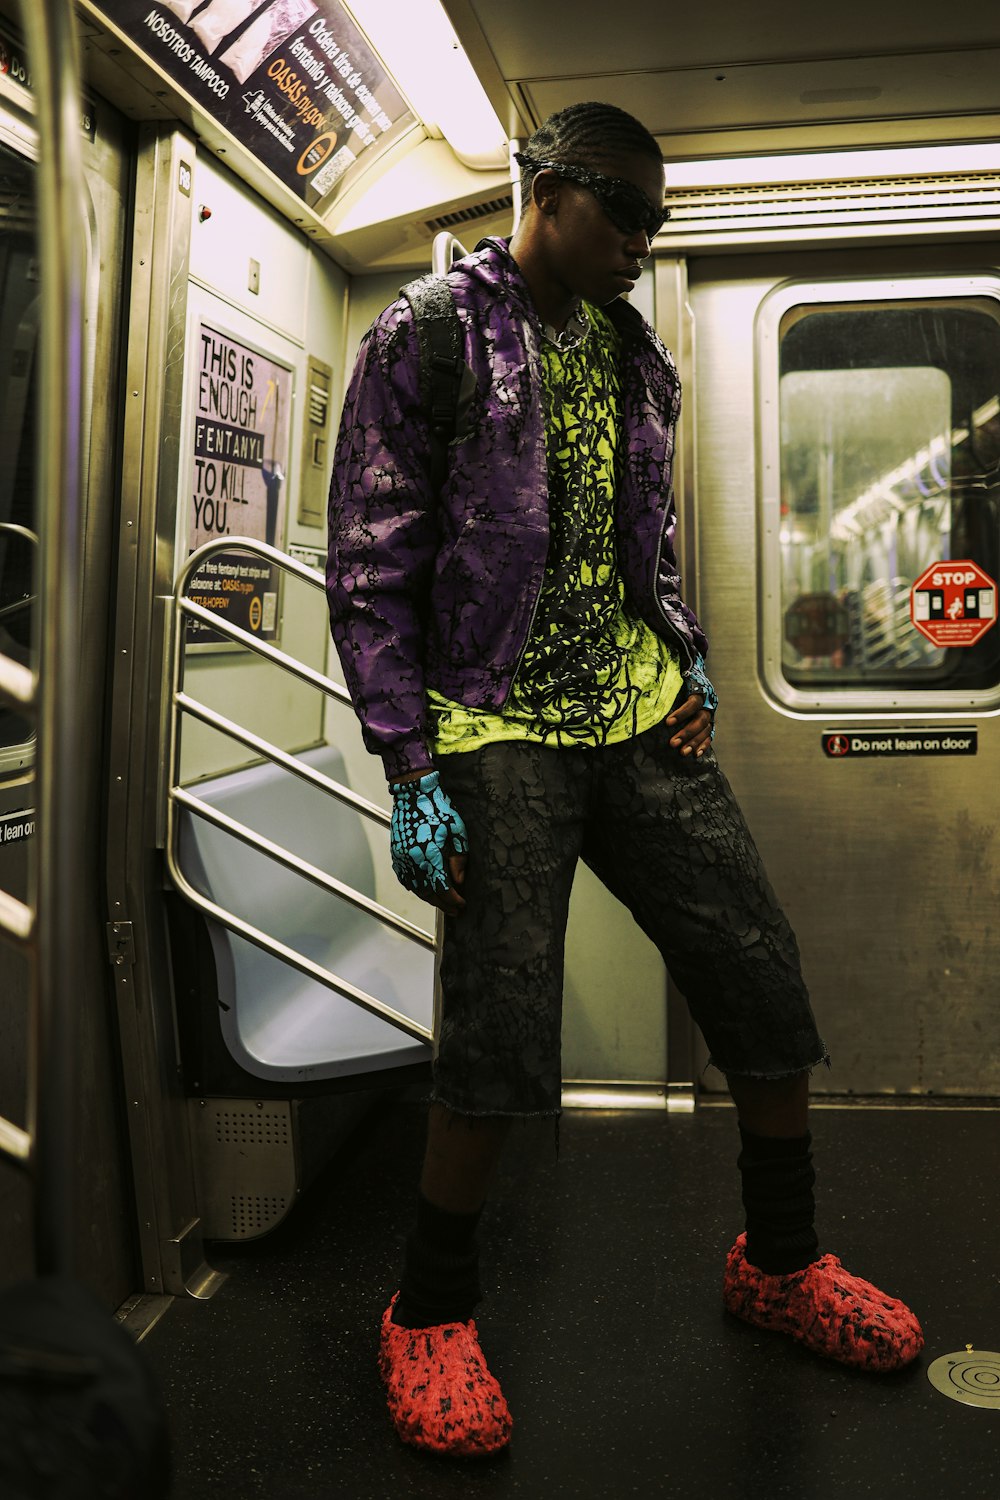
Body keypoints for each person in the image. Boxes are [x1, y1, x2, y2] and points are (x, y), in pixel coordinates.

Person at [326, 101, 922, 1459]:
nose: (644, 246)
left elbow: (633, 542)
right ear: (545, 190)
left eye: (661, 223)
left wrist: (689, 657)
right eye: (625, 214)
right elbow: (369, 566)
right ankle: (429, 1311)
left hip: (642, 718)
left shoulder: (635, 354)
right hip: (494, 729)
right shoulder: (431, 335)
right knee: (500, 1033)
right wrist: (408, 762)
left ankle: (779, 1260)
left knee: (758, 977)